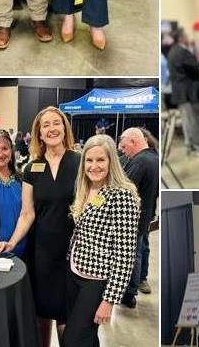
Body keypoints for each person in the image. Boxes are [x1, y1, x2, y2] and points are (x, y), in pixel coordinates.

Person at [0, 107, 80, 347]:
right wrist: (12, 241)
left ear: (64, 128)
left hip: (74, 252)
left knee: (69, 318)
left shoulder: (80, 162)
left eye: (56, 123)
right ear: (39, 133)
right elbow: (27, 213)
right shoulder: (32, 168)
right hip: (41, 253)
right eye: (46, 125)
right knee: (41, 314)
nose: (51, 129)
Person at [61, 135, 140, 347]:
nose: (94, 166)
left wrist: (109, 300)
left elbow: (125, 254)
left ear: (111, 161)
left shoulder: (122, 195)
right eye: (89, 160)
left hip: (96, 281)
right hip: (74, 272)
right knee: (86, 338)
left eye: (100, 160)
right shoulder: (85, 188)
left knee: (72, 340)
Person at [119, 128, 159, 307]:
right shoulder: (154, 159)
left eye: (125, 145)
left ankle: (129, 293)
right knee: (139, 252)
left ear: (134, 142)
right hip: (146, 214)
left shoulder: (140, 161)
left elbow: (125, 187)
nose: (123, 149)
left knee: (132, 255)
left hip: (134, 217)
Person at [167, 28, 199, 154]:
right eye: (186, 35)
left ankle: (190, 145)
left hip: (180, 93)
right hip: (188, 92)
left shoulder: (173, 51)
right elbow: (195, 69)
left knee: (187, 121)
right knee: (193, 121)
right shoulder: (182, 52)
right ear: (181, 37)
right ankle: (198, 146)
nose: (188, 37)